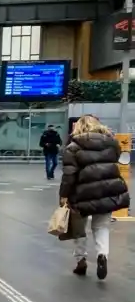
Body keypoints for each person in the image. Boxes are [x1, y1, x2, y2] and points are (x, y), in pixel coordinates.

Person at [58, 114, 130, 280]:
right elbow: (116, 159)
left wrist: (64, 195)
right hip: (107, 190)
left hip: (81, 193)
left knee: (79, 228)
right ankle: (102, 254)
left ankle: (81, 260)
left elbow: (69, 174)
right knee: (101, 226)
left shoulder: (73, 147)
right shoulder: (112, 143)